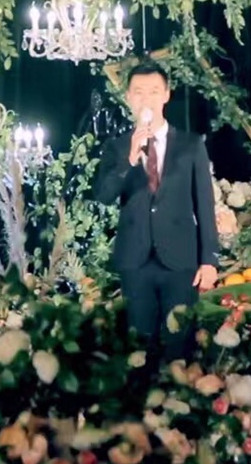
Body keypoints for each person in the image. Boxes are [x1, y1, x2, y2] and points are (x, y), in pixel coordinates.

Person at [91, 60, 219, 362]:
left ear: (166, 95)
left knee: (180, 344)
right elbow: (104, 196)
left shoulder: (191, 145)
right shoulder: (116, 147)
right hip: (135, 262)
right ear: (128, 98)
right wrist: (129, 159)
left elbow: (205, 204)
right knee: (140, 348)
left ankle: (179, 389)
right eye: (138, 92)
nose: (145, 99)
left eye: (153, 91)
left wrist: (209, 259)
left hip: (181, 261)